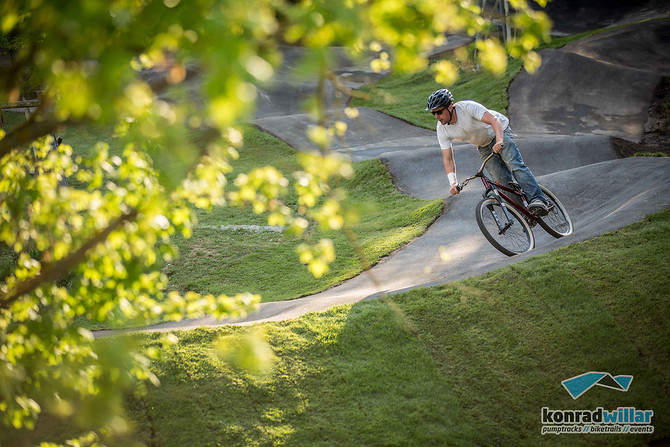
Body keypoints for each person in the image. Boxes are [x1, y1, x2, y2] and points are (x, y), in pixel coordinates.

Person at [426, 88, 549, 216]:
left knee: (514, 165)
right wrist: (453, 183)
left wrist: (499, 141)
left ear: (450, 107)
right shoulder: (442, 129)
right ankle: (524, 215)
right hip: (483, 145)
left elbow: (494, 121)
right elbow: (448, 159)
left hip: (499, 132)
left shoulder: (467, 108)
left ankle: (538, 200)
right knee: (500, 181)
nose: (436, 116)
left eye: (439, 112)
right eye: (433, 113)